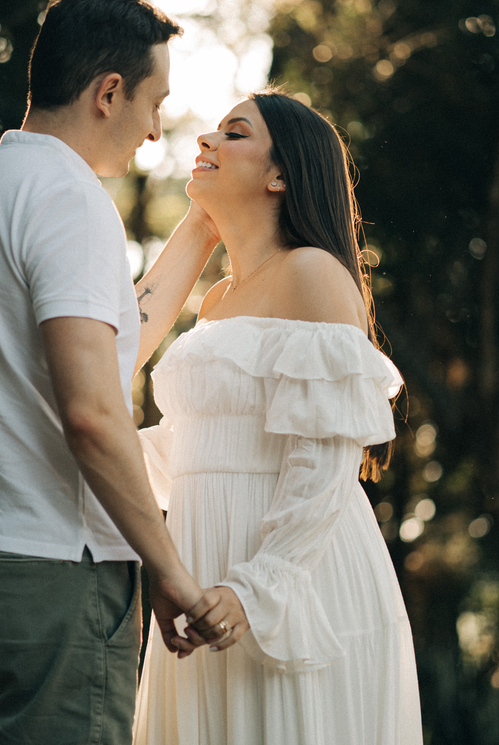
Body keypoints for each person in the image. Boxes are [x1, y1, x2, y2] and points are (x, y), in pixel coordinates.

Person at [0, 0, 225, 745]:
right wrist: (170, 571)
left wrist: (200, 226)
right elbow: (90, 413)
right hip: (52, 571)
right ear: (107, 93)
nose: (156, 132)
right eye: (155, 103)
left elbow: (117, 343)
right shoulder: (69, 199)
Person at [131, 90, 424, 744]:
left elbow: (322, 459)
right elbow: (192, 450)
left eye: (233, 133)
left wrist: (255, 589)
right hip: (205, 571)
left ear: (281, 174)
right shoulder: (215, 303)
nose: (206, 140)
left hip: (293, 583)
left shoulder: (312, 273)